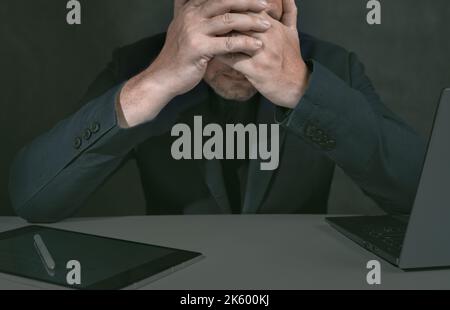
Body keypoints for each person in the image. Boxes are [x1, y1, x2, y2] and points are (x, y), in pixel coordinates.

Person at [9, 0, 426, 223]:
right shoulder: (138, 66)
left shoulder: (334, 68)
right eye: (221, 30)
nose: (237, 58)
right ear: (183, 14)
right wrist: (151, 86)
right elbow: (32, 197)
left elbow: (422, 198)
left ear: (286, 10)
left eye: (255, 27)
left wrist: (303, 88)